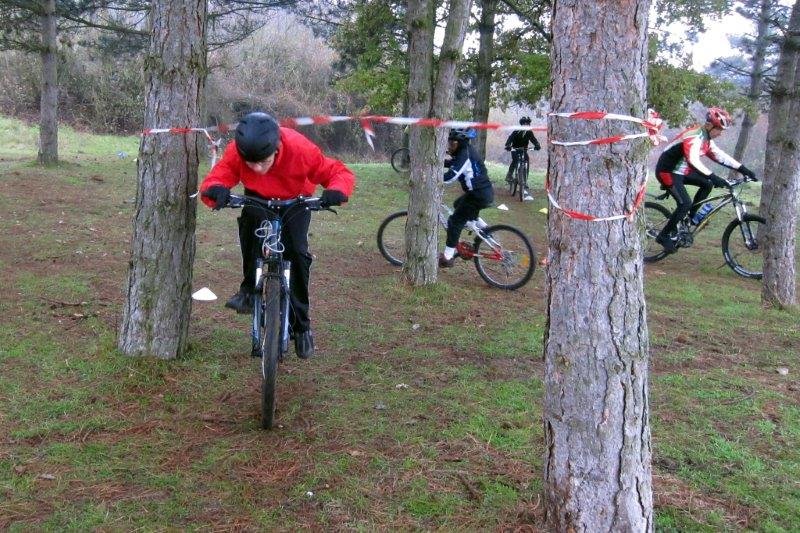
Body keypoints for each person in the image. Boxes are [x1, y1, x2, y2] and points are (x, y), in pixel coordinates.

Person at [200, 111, 355, 359]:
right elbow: (221, 174)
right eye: (250, 163)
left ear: (277, 148)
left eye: (263, 161)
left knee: (298, 256)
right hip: (258, 198)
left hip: (296, 201)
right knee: (250, 230)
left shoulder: (299, 148)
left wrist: (336, 189)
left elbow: (336, 171)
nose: (257, 168)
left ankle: (302, 327)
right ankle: (249, 290)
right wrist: (216, 189)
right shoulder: (236, 151)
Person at [654, 106, 757, 253]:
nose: (720, 133)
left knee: (707, 184)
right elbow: (693, 160)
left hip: (681, 172)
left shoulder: (706, 139)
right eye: (719, 129)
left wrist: (743, 169)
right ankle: (663, 236)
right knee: (685, 203)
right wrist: (714, 176)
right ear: (709, 125)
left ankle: (690, 217)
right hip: (667, 171)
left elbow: (720, 156)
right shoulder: (694, 136)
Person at [439, 128, 495, 268]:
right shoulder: (466, 151)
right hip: (482, 192)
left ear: (460, 143)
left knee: (455, 221)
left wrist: (433, 178)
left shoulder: (464, 155)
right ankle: (486, 230)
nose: (450, 146)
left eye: (453, 144)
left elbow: (452, 176)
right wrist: (440, 163)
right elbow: (454, 163)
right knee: (458, 204)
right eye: (449, 143)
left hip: (477, 195)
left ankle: (447, 256)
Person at [504, 116, 541, 201]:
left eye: (528, 124)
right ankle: (509, 175)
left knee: (527, 160)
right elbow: (510, 139)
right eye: (525, 124)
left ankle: (524, 180)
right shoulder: (516, 131)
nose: (526, 125)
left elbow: (534, 140)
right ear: (521, 124)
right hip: (515, 149)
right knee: (515, 160)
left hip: (524, 150)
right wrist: (508, 145)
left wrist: (537, 145)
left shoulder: (529, 132)